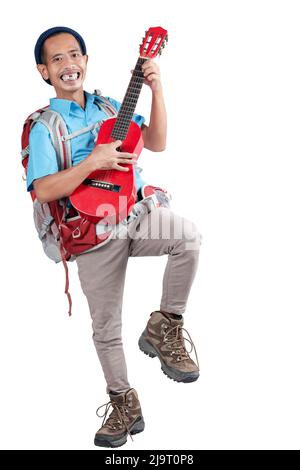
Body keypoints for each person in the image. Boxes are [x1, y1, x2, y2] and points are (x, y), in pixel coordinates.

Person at [28, 26, 202, 448]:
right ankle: (124, 401)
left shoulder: (110, 107)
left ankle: (165, 325)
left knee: (187, 238)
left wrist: (156, 89)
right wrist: (94, 162)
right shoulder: (43, 126)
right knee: (107, 328)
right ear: (44, 71)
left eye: (74, 55)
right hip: (89, 231)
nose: (68, 64)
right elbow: (44, 188)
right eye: (57, 60)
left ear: (85, 62)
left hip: (133, 214)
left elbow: (156, 143)